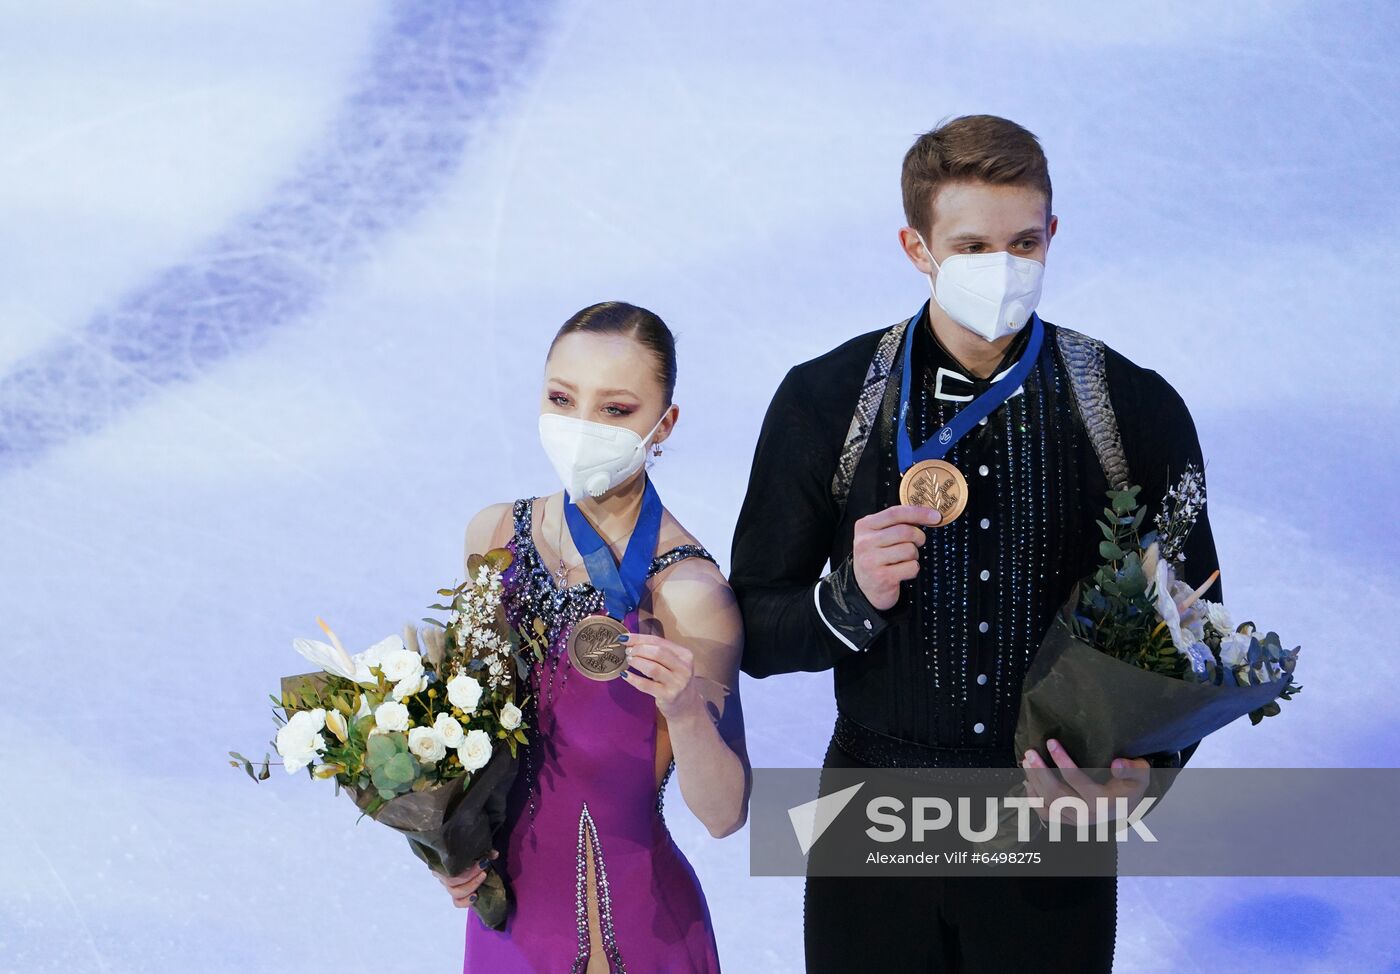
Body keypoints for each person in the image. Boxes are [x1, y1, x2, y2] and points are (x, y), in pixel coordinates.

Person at [730, 115, 1222, 972]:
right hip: (871, 821)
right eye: (971, 247)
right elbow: (754, 631)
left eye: (1024, 241)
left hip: (1052, 814)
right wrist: (847, 598)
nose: (1003, 268)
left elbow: (1199, 626)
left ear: (1053, 234)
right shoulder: (826, 399)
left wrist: (1150, 766)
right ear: (916, 246)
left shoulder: (1133, 407)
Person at [441, 301, 750, 973]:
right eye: (562, 398)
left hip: (638, 936)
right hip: (507, 930)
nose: (582, 426)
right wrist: (449, 851)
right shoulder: (492, 537)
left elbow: (726, 814)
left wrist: (686, 710)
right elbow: (464, 742)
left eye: (615, 410)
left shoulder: (689, 591)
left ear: (663, 425)